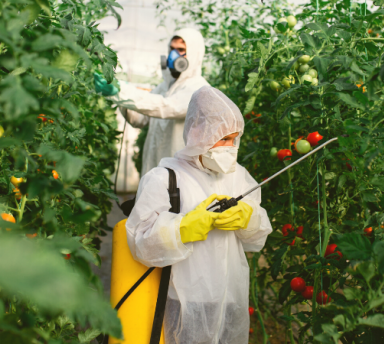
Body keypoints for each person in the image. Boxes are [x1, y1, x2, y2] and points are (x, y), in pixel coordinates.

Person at [125, 86, 273, 343]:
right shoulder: (165, 178)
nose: (230, 148)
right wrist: (180, 229)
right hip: (185, 298)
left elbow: (257, 238)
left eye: (234, 139)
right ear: (197, 133)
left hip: (230, 295)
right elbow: (140, 244)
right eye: (223, 139)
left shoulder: (239, 176)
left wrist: (248, 219)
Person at [95, 28, 209, 175]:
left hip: (181, 174)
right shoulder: (165, 87)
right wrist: (121, 98)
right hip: (156, 167)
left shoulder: (199, 89)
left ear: (195, 54)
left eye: (181, 49)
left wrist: (123, 91)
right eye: (172, 49)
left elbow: (166, 107)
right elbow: (140, 119)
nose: (173, 55)